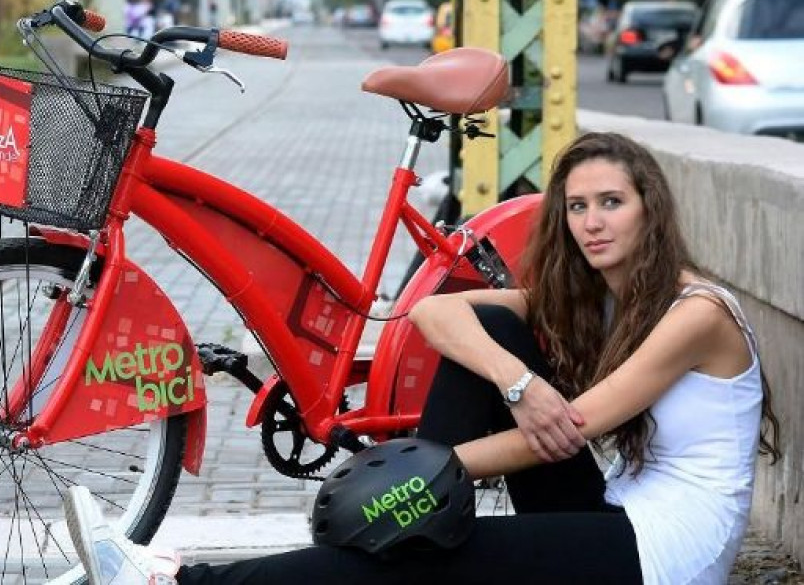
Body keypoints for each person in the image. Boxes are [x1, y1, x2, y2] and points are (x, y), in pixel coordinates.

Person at [63, 132, 782, 584]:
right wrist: (515, 378)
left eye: (612, 202)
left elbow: (579, 423)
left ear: (649, 209)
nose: (592, 222)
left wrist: (417, 479)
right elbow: (437, 312)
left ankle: (177, 580)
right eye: (576, 206)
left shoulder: (697, 314)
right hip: (617, 510)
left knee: (422, 543)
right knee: (487, 354)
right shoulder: (596, 301)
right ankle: (413, 521)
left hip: (665, 553)